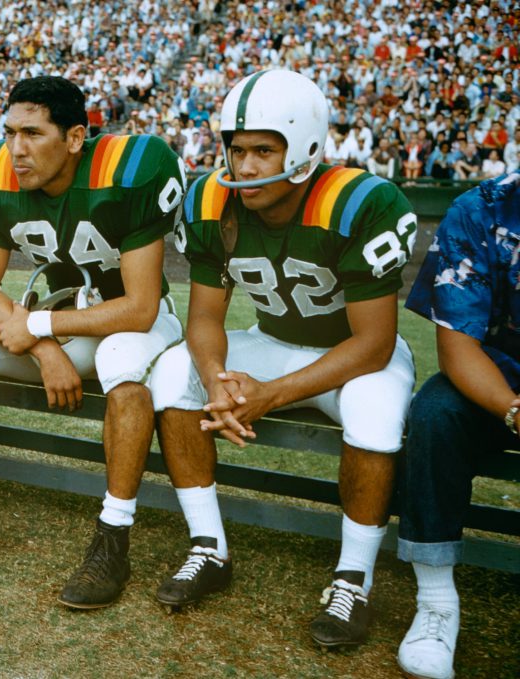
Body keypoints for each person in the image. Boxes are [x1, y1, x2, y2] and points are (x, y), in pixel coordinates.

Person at [147, 70, 416, 649]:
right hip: (272, 339)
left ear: (307, 147)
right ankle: (207, 546)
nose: (245, 167)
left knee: (374, 411)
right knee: (174, 373)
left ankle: (354, 579)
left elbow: (373, 343)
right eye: (237, 150)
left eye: (264, 151)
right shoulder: (209, 198)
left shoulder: (360, 201)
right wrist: (218, 382)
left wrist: (272, 393)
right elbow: (204, 319)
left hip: (355, 359)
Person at [0, 76, 186, 610]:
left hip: (132, 322)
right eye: (8, 133)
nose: (16, 149)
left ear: (74, 137)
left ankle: (114, 538)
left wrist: (42, 329)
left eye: (32, 133)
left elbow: (138, 308)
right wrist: (43, 346)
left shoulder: (131, 170)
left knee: (123, 365)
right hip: (61, 318)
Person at [396, 171, 520, 679]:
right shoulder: (482, 207)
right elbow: (457, 348)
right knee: (435, 413)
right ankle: (436, 599)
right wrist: (513, 409)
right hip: (500, 379)